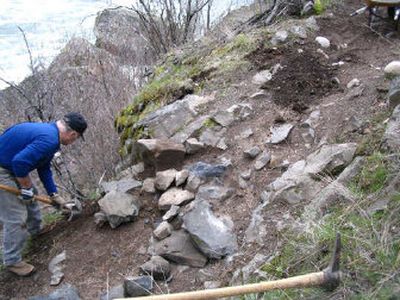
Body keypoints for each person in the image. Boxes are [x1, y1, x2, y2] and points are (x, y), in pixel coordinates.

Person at [0, 112, 87, 276]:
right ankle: (12, 261)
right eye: (75, 138)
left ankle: (36, 230)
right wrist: (25, 188)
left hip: (10, 167)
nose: (73, 141)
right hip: (3, 170)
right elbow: (19, 162)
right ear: (73, 134)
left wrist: (54, 194)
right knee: (16, 216)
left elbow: (44, 168)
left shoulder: (51, 135)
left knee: (32, 194)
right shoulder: (49, 139)